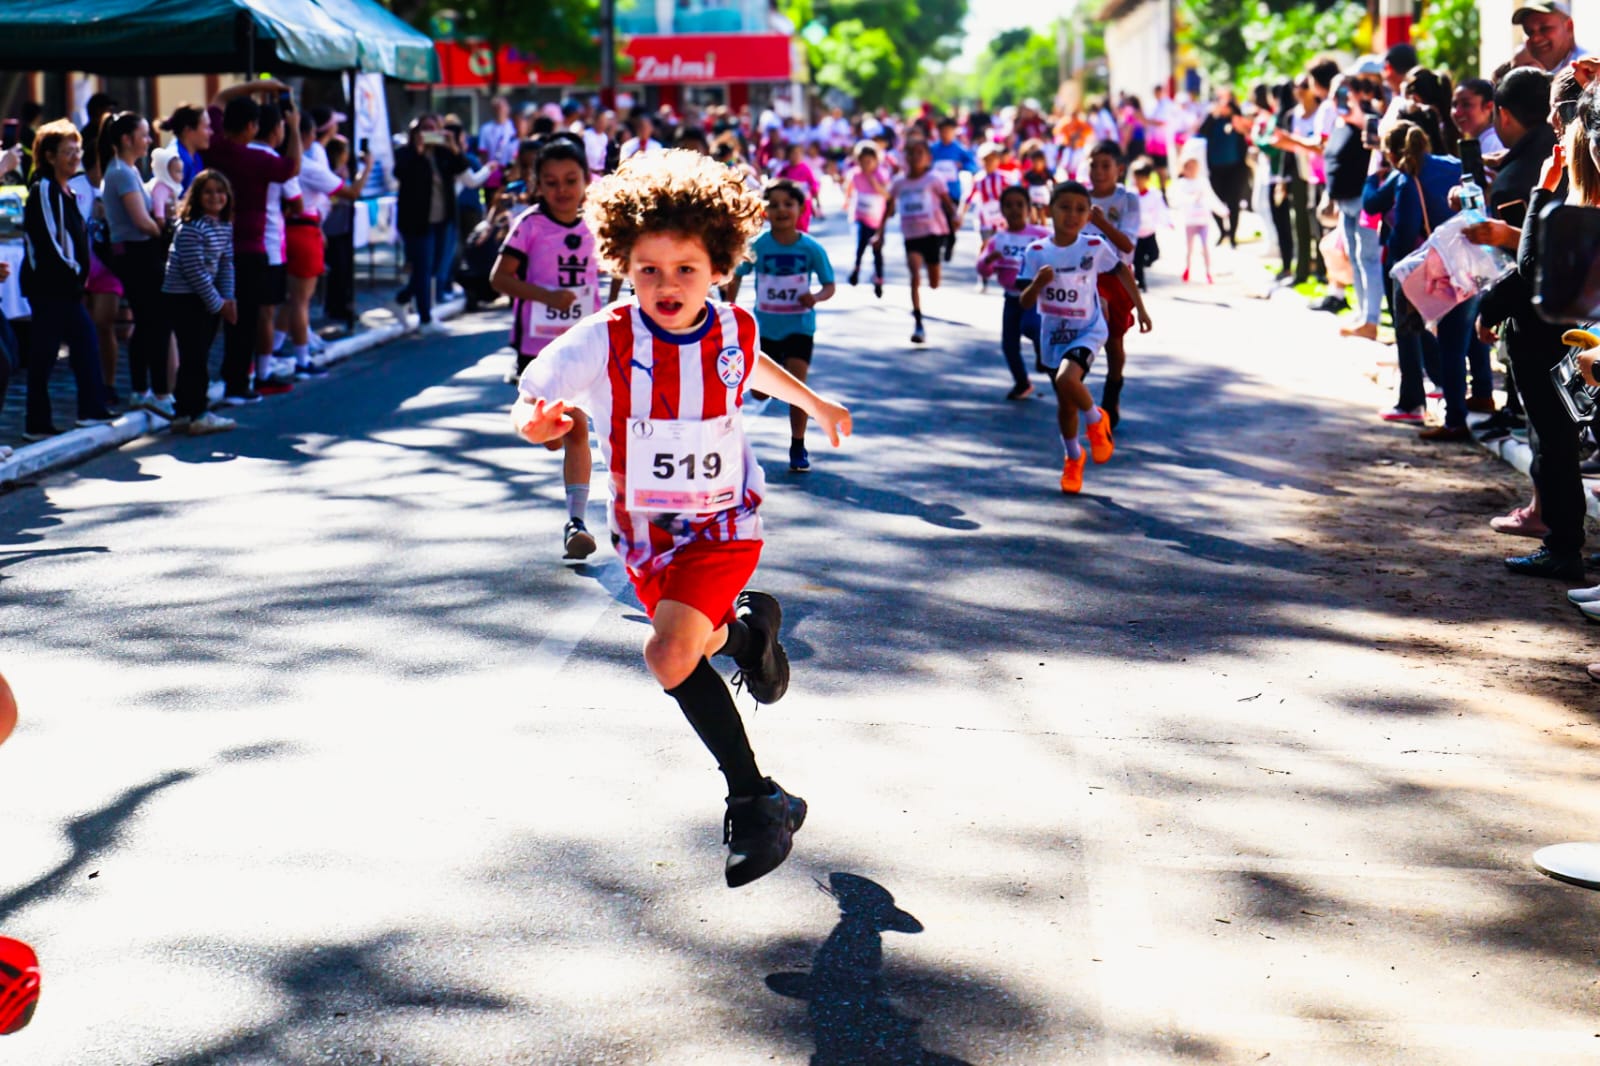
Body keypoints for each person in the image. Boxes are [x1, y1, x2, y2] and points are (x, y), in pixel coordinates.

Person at [511, 148, 853, 888]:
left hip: (725, 524)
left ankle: (758, 800)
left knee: (668, 655)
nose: (667, 285)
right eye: (648, 270)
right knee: (688, 640)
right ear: (621, 263)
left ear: (721, 266)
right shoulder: (605, 336)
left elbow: (756, 364)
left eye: (686, 270)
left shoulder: (732, 327)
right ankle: (749, 631)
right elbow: (533, 395)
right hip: (648, 538)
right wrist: (534, 425)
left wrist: (815, 404)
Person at [1479, 70, 1586, 580]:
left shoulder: (1570, 168)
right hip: (1565, 325)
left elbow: (1531, 264)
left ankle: (1564, 546)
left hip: (1552, 328)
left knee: (1555, 441)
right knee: (1556, 440)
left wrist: (1542, 193)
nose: (1548, 123)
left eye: (1556, 112)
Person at [490, 139, 602, 560]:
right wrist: (545, 296)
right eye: (552, 182)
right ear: (537, 184)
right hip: (538, 348)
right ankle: (542, 432)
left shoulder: (596, 222)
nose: (562, 190)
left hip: (583, 344)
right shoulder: (529, 225)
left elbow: (613, 267)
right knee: (555, 435)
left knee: (576, 428)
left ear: (586, 180)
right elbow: (499, 278)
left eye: (571, 180)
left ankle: (576, 522)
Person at [1018, 181, 1152, 494]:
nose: (1072, 215)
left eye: (1081, 209)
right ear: (1050, 210)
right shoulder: (1036, 252)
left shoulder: (1093, 246)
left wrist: (1141, 309)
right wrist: (1038, 284)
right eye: (1065, 207)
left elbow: (1122, 271)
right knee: (1065, 404)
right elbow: (1024, 301)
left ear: (1088, 214)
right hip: (1053, 335)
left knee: (1068, 380)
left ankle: (1096, 419)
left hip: (1089, 329)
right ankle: (1074, 458)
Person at [1363, 111, 1472, 440]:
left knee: (1429, 336)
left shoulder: (1408, 180)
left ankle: (1442, 414)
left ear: (1391, 154)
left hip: (1433, 268)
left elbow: (1402, 229)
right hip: (1468, 260)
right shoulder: (1454, 165)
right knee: (1466, 342)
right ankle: (1470, 396)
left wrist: (1401, 272)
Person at [201, 79, 302, 406]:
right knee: (243, 320)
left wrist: (254, 86)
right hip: (249, 248)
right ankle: (236, 385)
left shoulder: (216, 147)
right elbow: (291, 168)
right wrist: (296, 128)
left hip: (214, 244)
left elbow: (217, 97)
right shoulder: (255, 160)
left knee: (216, 320)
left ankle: (222, 382)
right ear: (250, 126)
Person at [728, 179, 837, 472]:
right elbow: (736, 273)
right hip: (765, 329)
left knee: (799, 387)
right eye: (773, 205)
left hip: (800, 326)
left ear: (801, 208)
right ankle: (778, 387)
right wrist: (731, 307)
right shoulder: (759, 245)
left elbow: (829, 286)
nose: (781, 210)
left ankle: (798, 444)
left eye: (788, 204)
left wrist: (814, 297)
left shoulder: (810, 248)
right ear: (764, 212)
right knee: (760, 392)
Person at [22, 120, 113, 440]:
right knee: (44, 355)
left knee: (85, 344)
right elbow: (49, 240)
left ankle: (91, 409)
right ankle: (37, 423)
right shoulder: (45, 189)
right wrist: (74, 271)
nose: (75, 157)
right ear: (49, 157)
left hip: (69, 289)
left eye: (77, 151)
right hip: (51, 288)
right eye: (67, 152)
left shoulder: (69, 192)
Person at [100, 110, 176, 417]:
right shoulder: (119, 172)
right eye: (144, 135)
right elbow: (141, 222)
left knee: (148, 323)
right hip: (137, 254)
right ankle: (155, 391)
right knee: (155, 322)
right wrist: (166, 231)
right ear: (127, 139)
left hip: (141, 253)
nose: (148, 141)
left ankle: (143, 390)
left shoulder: (128, 171)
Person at [162, 169, 237, 436]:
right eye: (208, 192)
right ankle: (198, 412)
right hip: (185, 299)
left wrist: (228, 299)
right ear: (196, 196)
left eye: (220, 192)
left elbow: (226, 263)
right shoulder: (192, 228)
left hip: (208, 299)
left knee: (197, 354)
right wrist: (218, 304)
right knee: (195, 358)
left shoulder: (224, 226)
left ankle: (183, 411)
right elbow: (195, 272)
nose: (215, 197)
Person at [393, 115, 469, 326]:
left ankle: (403, 298)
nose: (428, 133)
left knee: (432, 267)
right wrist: (417, 151)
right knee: (423, 268)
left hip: (442, 219)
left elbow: (463, 168)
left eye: (433, 128)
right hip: (417, 221)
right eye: (424, 129)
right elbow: (400, 173)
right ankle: (425, 318)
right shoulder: (405, 154)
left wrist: (453, 146)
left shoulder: (443, 153)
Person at [975, 185, 1049, 400]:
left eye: (1019, 205)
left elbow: (1055, 255)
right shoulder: (998, 239)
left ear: (1028, 209)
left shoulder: (1040, 236)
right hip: (1011, 298)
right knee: (1009, 345)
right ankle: (1022, 382)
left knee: (1032, 326)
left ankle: (1042, 353)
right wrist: (988, 260)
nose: (1014, 210)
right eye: (1009, 205)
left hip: (1034, 296)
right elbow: (983, 270)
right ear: (1002, 210)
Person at [1085, 141, 1141, 426]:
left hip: (1116, 274)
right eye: (1093, 165)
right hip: (1084, 277)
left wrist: (1100, 222)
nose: (1098, 171)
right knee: (1080, 331)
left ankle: (1112, 390)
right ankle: (1073, 387)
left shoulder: (1128, 200)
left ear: (1119, 169)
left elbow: (1127, 243)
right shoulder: (1079, 196)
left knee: (1114, 342)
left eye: (1105, 166)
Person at [1326, 72, 1383, 341]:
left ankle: (1371, 320)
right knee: (1356, 259)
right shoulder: (1340, 120)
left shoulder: (1368, 116)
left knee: (1369, 258)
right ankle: (1362, 314)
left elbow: (1374, 138)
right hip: (1345, 200)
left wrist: (1357, 111)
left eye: (1344, 92)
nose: (1339, 97)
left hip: (1363, 198)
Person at [882, 138, 955, 345]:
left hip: (932, 233)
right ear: (904, 157)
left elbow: (947, 203)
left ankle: (933, 272)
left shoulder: (934, 179)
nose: (915, 158)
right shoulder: (898, 182)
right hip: (911, 235)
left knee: (934, 283)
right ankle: (918, 321)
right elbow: (887, 209)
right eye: (910, 153)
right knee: (914, 274)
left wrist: (955, 219)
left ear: (927, 158)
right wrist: (880, 233)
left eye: (919, 153)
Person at [1197, 96, 1250, 247]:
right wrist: (1212, 114)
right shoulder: (1213, 121)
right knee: (1215, 203)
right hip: (1215, 169)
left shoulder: (1237, 121)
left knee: (1234, 203)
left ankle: (1232, 235)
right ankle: (1222, 232)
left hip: (1235, 169)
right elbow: (1201, 132)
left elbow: (1246, 134)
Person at [1170, 151, 1228, 282]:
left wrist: (1222, 210)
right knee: (1189, 248)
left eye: (1194, 167)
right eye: (1188, 167)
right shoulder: (1181, 184)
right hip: (1189, 221)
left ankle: (1208, 272)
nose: (1192, 170)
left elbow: (1211, 198)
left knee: (1205, 247)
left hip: (1203, 220)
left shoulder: (1203, 182)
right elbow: (1177, 200)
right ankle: (1187, 268)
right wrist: (1191, 199)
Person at [843, 140, 890, 297]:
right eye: (862, 162)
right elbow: (849, 188)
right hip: (860, 215)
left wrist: (875, 184)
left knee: (877, 248)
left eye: (869, 161)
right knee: (860, 242)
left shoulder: (881, 174)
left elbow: (888, 195)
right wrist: (847, 200)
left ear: (876, 161)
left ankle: (879, 278)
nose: (866, 165)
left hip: (877, 219)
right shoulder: (855, 174)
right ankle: (856, 269)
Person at [962, 144, 1011, 289]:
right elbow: (968, 198)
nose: (989, 162)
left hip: (1001, 219)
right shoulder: (978, 180)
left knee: (1004, 246)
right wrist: (961, 215)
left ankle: (1006, 275)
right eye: (986, 159)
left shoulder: (1003, 178)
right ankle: (982, 276)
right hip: (984, 219)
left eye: (993, 159)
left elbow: (1012, 195)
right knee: (985, 245)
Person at [929, 117, 977, 262]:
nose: (945, 134)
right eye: (943, 131)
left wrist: (961, 166)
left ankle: (950, 242)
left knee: (950, 220)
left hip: (953, 192)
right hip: (934, 192)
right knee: (936, 220)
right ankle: (938, 244)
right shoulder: (933, 149)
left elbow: (973, 166)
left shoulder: (959, 149)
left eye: (949, 131)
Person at [1514, 1, 1587, 75]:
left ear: (1569, 27)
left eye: (1545, 29)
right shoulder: (1524, 68)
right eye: (1528, 32)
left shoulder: (1590, 72)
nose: (1535, 38)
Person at [1130, 161, 1166, 290]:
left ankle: (1146, 263)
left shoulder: (1154, 194)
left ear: (1147, 178)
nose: (1138, 181)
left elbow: (1161, 209)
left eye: (1141, 178)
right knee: (1137, 259)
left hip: (1149, 232)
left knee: (1154, 254)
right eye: (1136, 178)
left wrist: (1166, 221)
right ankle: (1141, 283)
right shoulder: (1131, 195)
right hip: (1136, 234)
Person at [160, 104, 212, 191]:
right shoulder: (175, 159)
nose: (211, 132)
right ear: (188, 130)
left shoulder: (195, 157)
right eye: (206, 127)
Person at [478, 96, 519, 168]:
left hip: (511, 168)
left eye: (502, 107)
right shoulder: (485, 129)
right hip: (491, 170)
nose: (500, 110)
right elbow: (483, 153)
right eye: (497, 108)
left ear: (508, 108)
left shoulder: (515, 127)